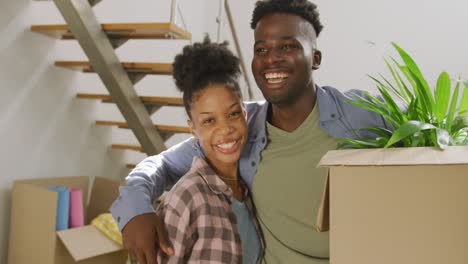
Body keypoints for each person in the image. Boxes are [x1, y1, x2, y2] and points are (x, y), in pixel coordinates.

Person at [111, 0, 388, 263]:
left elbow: (426, 132)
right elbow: (159, 164)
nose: (272, 60)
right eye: (261, 50)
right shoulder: (241, 127)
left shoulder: (358, 113)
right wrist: (136, 211)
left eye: (288, 46)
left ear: (315, 57)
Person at [152, 37, 264, 263]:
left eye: (232, 114)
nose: (225, 129)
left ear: (245, 114)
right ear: (193, 128)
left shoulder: (249, 193)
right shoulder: (187, 197)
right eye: (209, 121)